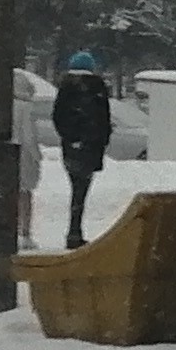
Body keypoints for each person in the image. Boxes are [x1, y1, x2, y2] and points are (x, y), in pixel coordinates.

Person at [49, 47, 114, 248]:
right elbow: (102, 118)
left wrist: (71, 137)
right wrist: (100, 140)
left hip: (71, 146)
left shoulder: (65, 87)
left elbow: (58, 116)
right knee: (81, 189)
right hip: (91, 147)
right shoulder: (96, 87)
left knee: (76, 186)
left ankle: (74, 230)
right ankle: (74, 231)